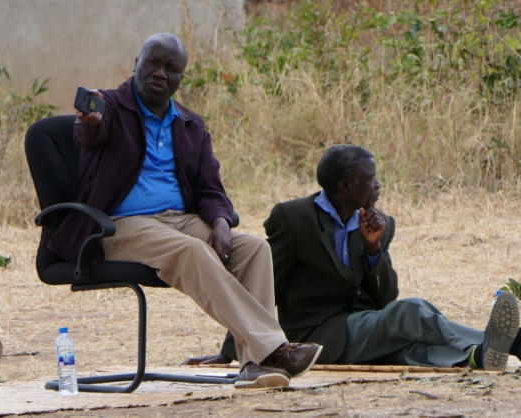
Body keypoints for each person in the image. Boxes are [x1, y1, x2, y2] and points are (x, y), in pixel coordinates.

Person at [47, 33, 322, 389]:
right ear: (136, 63)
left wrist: (221, 223)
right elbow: (88, 134)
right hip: (120, 226)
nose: (160, 73)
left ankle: (254, 365)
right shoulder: (112, 107)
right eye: (153, 63)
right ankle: (275, 348)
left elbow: (210, 187)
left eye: (171, 68)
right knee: (192, 250)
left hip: (182, 221)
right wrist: (91, 120)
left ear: (181, 78)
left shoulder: (190, 125)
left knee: (254, 248)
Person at [184, 145, 521, 370]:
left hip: (365, 325)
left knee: (416, 349)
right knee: (413, 312)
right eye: (371, 179)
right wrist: (231, 350)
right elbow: (263, 283)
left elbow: (384, 297)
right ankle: (520, 343)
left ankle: (476, 358)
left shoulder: (380, 224)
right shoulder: (294, 218)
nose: (378, 185)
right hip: (319, 337)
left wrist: (372, 249)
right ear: (345, 187)